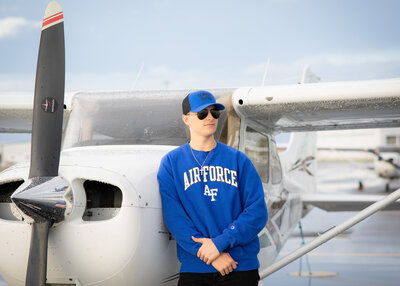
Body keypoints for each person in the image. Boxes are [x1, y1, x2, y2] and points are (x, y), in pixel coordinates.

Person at [157, 90, 268, 286]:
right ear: (186, 119)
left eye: (214, 113)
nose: (210, 117)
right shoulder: (171, 163)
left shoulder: (239, 160)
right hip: (196, 267)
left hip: (239, 267)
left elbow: (256, 212)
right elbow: (175, 219)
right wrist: (212, 255)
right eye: (202, 113)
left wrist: (220, 244)